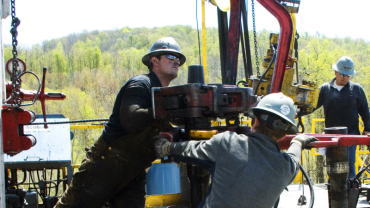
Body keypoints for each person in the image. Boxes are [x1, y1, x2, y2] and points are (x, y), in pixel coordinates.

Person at [54, 37, 186, 208]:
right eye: (170, 56)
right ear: (154, 60)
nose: (176, 61)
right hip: (106, 163)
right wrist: (167, 109)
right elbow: (130, 119)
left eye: (178, 59)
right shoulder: (141, 84)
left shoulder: (164, 95)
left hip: (133, 170)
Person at [155, 92, 317, 208]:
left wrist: (167, 147)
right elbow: (294, 159)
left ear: (254, 120)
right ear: (284, 133)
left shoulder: (227, 143)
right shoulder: (285, 167)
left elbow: (190, 150)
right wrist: (297, 142)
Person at [316, 56, 370, 179]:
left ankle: (351, 189)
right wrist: (297, 112)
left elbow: (365, 112)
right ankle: (335, 190)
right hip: (331, 135)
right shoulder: (325, 89)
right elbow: (311, 106)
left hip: (351, 135)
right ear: (335, 72)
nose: (345, 78)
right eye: (342, 74)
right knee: (333, 165)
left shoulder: (356, 89)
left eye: (348, 75)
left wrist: (368, 129)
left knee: (349, 163)